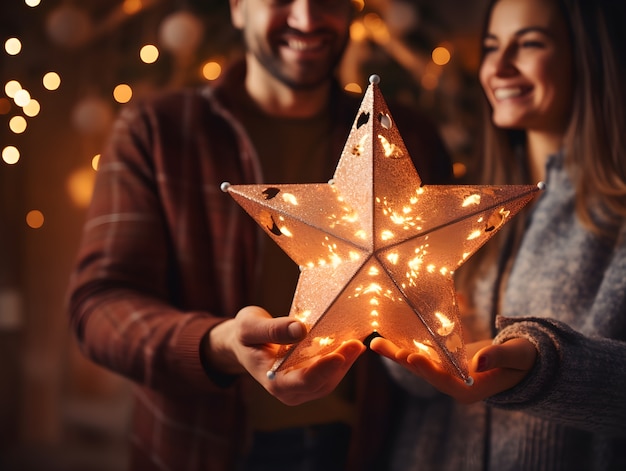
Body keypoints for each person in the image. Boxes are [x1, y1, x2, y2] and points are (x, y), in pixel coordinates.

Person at [66, 0, 452, 470]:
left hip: (363, 448)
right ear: (237, 7)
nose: (306, 19)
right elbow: (99, 306)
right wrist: (218, 344)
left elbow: (447, 287)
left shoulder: (405, 139)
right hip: (203, 448)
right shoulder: (157, 132)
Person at [371, 0, 626, 469]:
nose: (500, 67)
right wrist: (406, 336)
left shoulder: (618, 218)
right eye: (491, 47)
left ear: (586, 57)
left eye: (529, 44)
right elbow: (423, 387)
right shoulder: (457, 211)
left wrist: (542, 367)